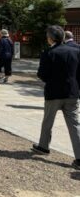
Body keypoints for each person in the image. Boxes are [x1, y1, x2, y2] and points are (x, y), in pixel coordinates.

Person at [32, 25, 80, 170]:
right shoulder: (76, 50)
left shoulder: (48, 53)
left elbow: (42, 74)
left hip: (53, 93)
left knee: (48, 121)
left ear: (51, 38)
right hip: (72, 92)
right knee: (74, 125)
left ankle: (43, 146)